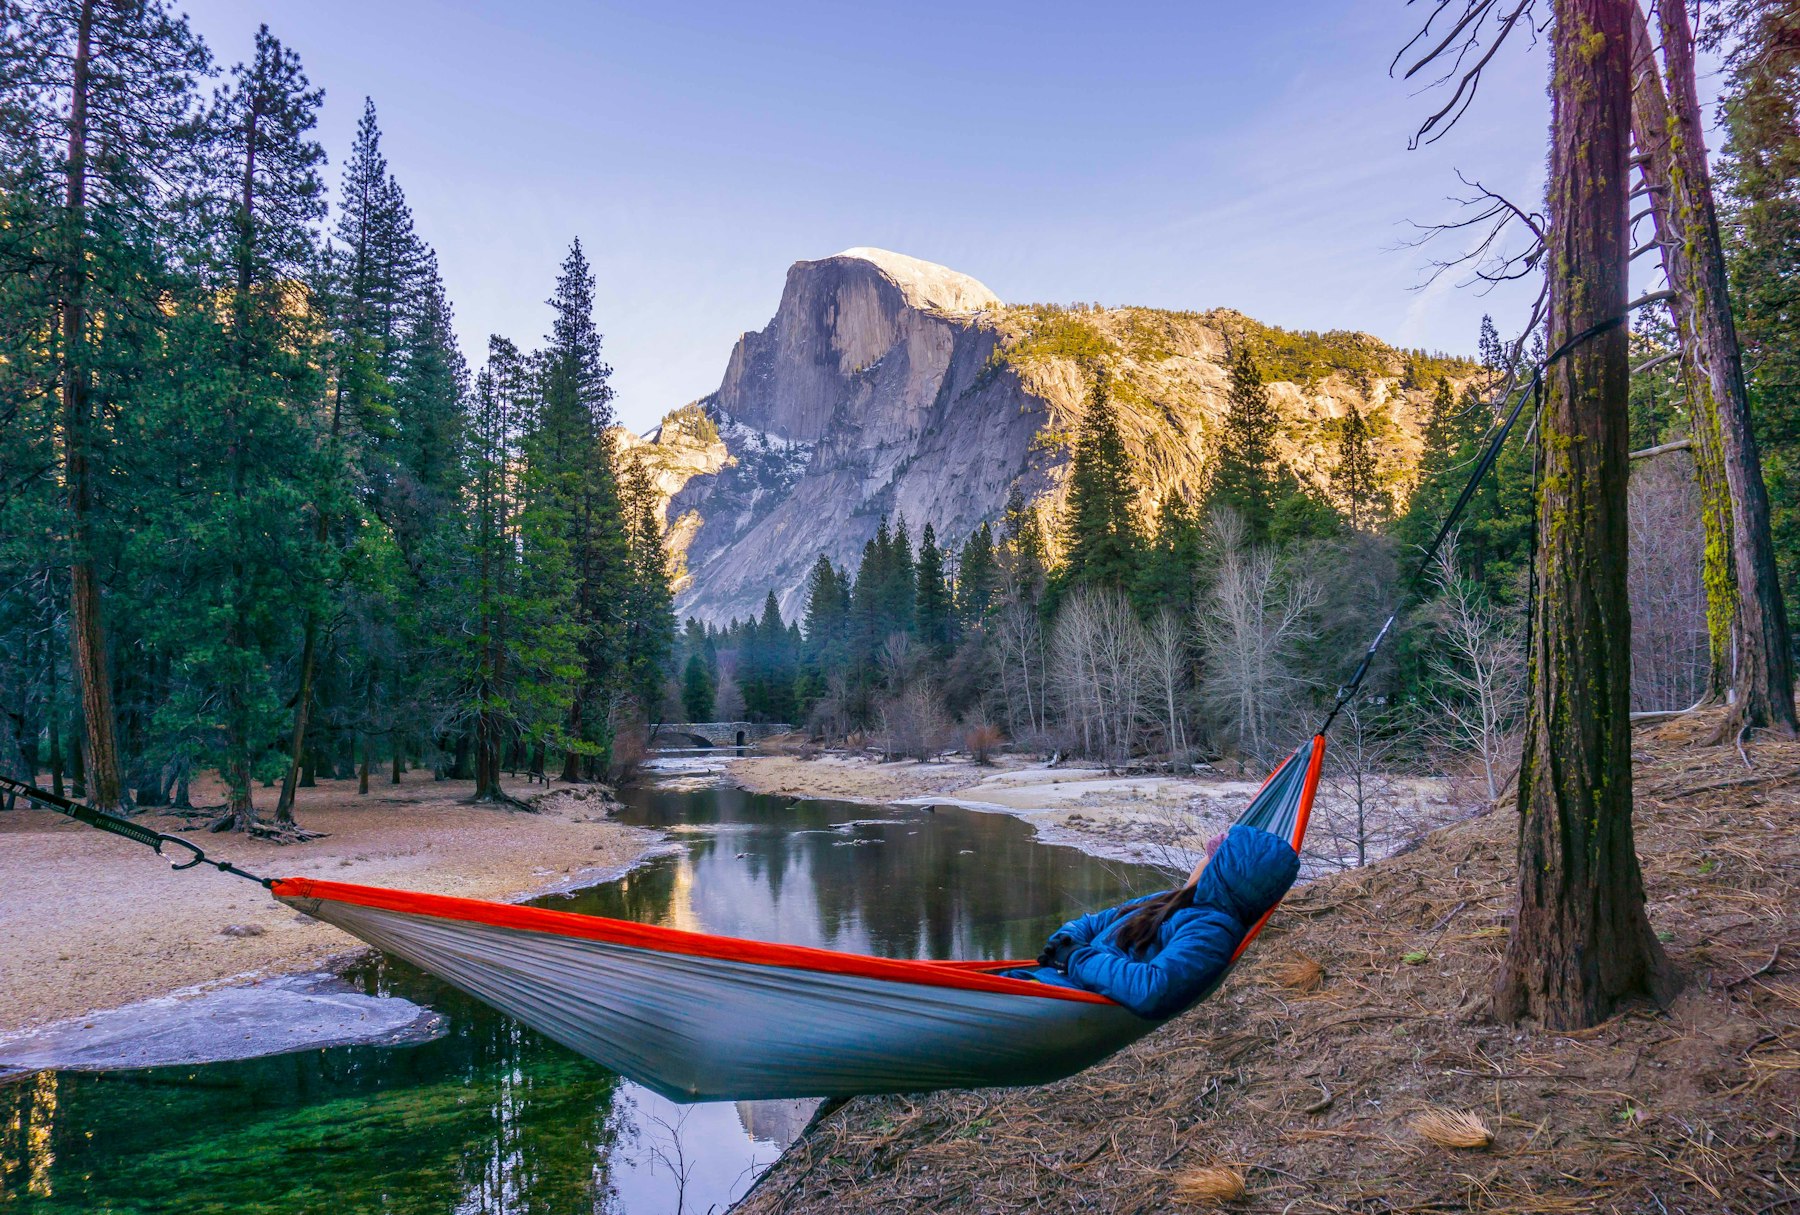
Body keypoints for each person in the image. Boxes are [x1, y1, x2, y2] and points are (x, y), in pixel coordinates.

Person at [1013, 824, 1300, 1020]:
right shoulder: (1173, 898)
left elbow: (1154, 988)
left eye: (1206, 857)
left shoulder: (1211, 931)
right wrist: (1066, 940)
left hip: (1057, 1001)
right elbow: (1095, 921)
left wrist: (1074, 957)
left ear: (1219, 873)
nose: (1197, 862)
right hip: (1044, 986)